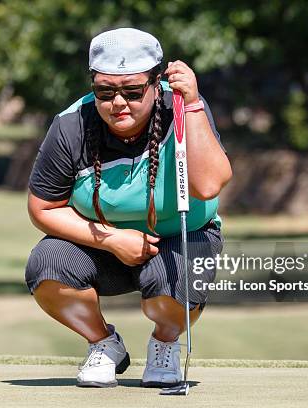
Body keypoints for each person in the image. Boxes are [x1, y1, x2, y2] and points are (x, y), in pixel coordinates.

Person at [25, 27, 232, 388]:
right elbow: (42, 208)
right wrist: (110, 239)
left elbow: (209, 184)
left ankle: (165, 343)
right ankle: (104, 344)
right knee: (48, 266)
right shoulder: (72, 125)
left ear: (156, 83)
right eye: (105, 92)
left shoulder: (184, 108)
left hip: (181, 240)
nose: (118, 103)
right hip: (100, 247)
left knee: (176, 288)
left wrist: (195, 104)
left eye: (133, 91)